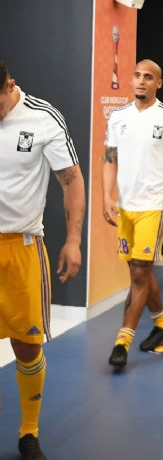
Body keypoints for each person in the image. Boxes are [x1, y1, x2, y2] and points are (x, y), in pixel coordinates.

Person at [0, 59, 85, 460]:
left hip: (21, 247)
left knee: (27, 346)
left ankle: (28, 431)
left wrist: (73, 239)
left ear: (10, 86)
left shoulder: (43, 118)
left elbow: (71, 179)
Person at [102, 59, 163, 369]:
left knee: (140, 272)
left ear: (159, 83)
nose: (141, 81)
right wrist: (106, 196)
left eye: (149, 77)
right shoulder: (118, 118)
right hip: (126, 209)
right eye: (138, 75)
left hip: (155, 207)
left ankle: (123, 341)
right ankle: (162, 324)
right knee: (138, 273)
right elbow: (109, 159)